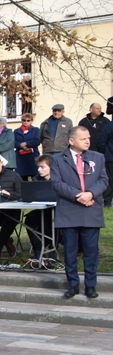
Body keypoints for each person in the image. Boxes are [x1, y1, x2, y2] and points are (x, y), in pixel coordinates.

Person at [50, 126, 108, 299]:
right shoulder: (58, 159)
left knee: (91, 251)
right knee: (70, 250)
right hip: (69, 210)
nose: (88, 141)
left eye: (88, 138)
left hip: (91, 209)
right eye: (83, 139)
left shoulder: (98, 157)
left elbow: (103, 180)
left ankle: (90, 285)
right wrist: (78, 196)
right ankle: (73, 284)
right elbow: (56, 183)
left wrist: (90, 194)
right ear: (71, 141)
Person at [25, 154, 55, 261]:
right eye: (38, 167)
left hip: (57, 210)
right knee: (29, 220)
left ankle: (52, 248)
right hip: (41, 209)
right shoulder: (36, 179)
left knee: (52, 221)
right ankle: (38, 250)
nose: (39, 170)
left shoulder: (60, 179)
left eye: (42, 167)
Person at [14, 113, 41, 181]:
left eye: (28, 120)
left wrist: (27, 143)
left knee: (35, 177)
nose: (26, 122)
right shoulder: (16, 131)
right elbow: (13, 142)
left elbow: (37, 141)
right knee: (22, 178)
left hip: (32, 156)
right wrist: (20, 145)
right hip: (20, 157)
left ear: (31, 121)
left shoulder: (36, 130)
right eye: (24, 120)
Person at [94, 118, 113, 208]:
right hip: (110, 158)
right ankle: (107, 202)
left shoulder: (109, 126)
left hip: (109, 156)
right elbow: (101, 141)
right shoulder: (110, 126)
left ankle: (108, 202)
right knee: (109, 180)